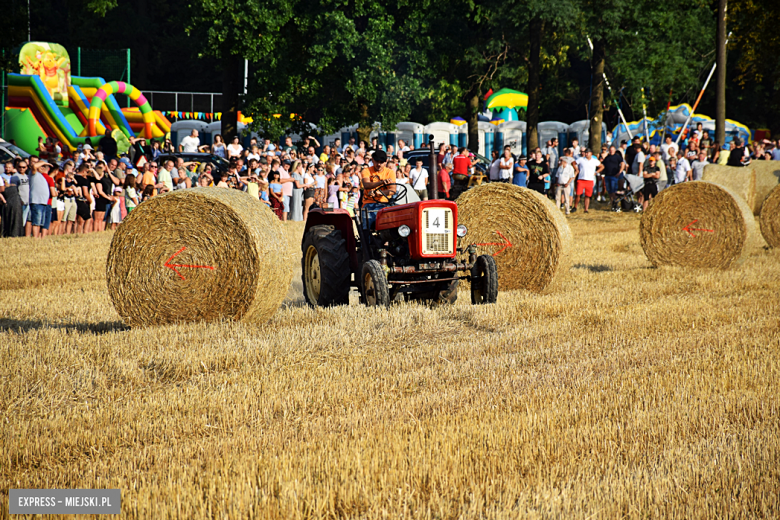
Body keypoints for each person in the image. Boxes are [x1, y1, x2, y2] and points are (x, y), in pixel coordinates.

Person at [360, 149, 396, 228]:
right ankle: (367, 238)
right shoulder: (366, 171)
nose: (379, 164)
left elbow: (393, 190)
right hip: (369, 202)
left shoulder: (390, 172)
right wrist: (381, 182)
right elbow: (366, 185)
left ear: (385, 162)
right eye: (377, 161)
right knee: (366, 226)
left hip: (385, 203)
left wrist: (380, 193)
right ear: (372, 160)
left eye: (381, 162)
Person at [573, 148, 603, 214]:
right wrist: (577, 169)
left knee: (588, 195)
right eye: (585, 153)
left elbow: (602, 166)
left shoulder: (594, 161)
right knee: (578, 194)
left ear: (591, 153)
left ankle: (586, 209)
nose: (586, 154)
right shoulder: (581, 159)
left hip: (589, 180)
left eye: (587, 153)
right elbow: (574, 163)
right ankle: (575, 207)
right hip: (581, 179)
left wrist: (596, 172)